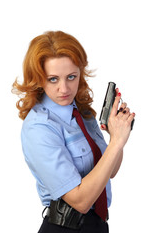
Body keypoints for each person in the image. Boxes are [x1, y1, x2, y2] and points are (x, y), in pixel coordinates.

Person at [12, 30, 135, 233]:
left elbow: (111, 170)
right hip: (65, 228)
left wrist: (118, 136)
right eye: (53, 79)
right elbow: (80, 201)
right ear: (39, 79)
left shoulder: (82, 112)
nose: (64, 88)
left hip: (98, 226)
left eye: (71, 77)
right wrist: (115, 143)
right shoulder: (39, 128)